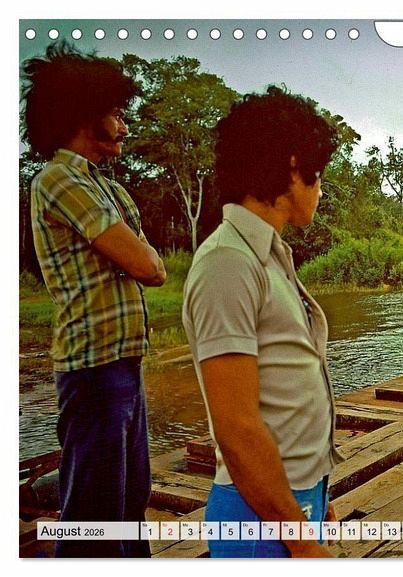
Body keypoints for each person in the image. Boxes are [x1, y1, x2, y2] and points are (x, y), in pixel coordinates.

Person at [182, 87, 342, 558]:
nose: (320, 189)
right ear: (293, 168)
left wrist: (319, 498)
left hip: (290, 503)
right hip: (258, 522)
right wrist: (301, 540)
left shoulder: (268, 256)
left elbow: (286, 390)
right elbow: (237, 427)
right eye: (318, 175)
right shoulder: (228, 264)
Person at [21, 42, 166, 557]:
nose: (124, 125)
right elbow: (148, 266)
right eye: (116, 112)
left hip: (124, 362)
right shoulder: (58, 179)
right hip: (93, 368)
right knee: (94, 517)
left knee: (131, 502)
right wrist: (134, 255)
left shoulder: (106, 186)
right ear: (84, 115)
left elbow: (150, 263)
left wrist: (134, 254)